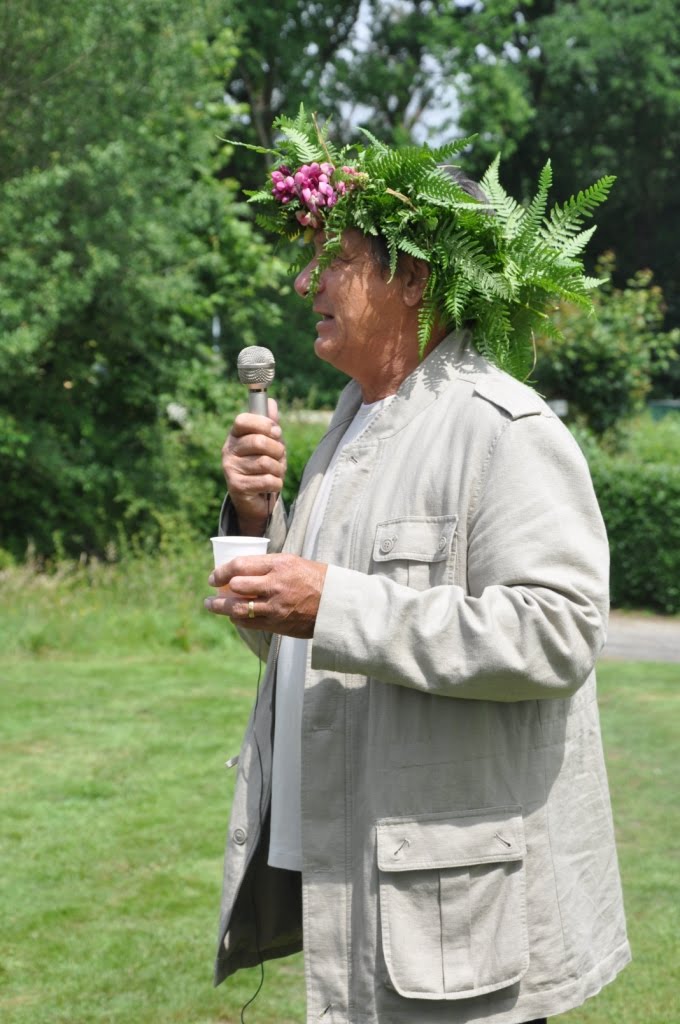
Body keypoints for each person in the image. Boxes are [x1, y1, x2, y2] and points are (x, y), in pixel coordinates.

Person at [204, 113, 630, 1024]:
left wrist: (334, 602)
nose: (302, 281)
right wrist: (253, 521)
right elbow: (298, 637)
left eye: (334, 259)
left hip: (455, 926)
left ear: (413, 276)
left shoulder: (501, 426)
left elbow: (557, 634)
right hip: (366, 886)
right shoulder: (351, 425)